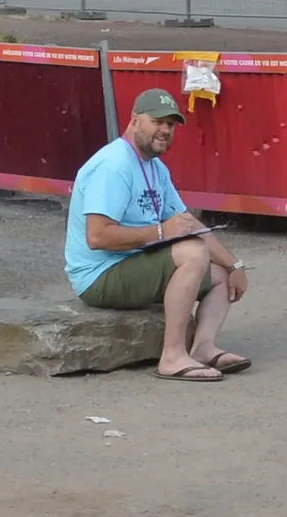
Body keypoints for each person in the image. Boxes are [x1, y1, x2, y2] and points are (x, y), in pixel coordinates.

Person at [66, 88, 251, 381]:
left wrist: (235, 265)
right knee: (192, 253)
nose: (165, 130)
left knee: (219, 274)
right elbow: (97, 237)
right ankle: (172, 357)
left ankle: (203, 348)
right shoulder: (114, 165)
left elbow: (188, 224)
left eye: (171, 124)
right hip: (99, 275)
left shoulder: (155, 167)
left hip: (133, 264)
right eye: (157, 121)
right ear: (134, 120)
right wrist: (161, 231)